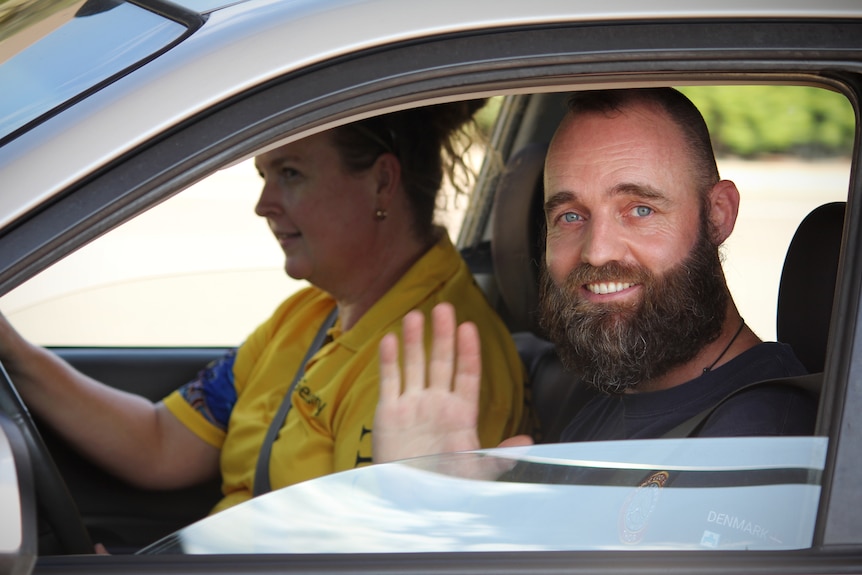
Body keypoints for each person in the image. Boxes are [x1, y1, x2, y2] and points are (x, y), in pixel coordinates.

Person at [0, 100, 527, 515]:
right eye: (263, 176)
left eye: (290, 173)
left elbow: (371, 554)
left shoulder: (437, 358)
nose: (263, 203)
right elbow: (163, 441)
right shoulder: (308, 315)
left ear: (382, 182)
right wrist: (14, 352)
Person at [373, 88, 817, 464]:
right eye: (570, 216)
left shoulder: (760, 440)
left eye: (640, 210)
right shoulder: (605, 407)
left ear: (718, 215)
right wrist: (435, 505)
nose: (598, 250)